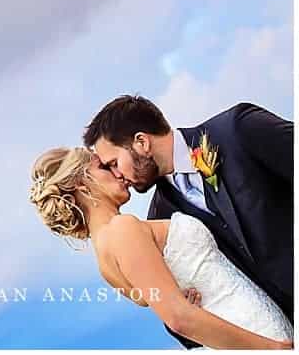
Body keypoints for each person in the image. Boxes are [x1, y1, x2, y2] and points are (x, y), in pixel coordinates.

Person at [29, 145, 293, 349]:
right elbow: (178, 318)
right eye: (103, 168)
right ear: (81, 183)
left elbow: (170, 303)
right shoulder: (122, 229)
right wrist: (270, 348)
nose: (117, 173)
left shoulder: (104, 260)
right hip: (255, 333)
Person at [84, 96, 293, 348]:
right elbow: (181, 320)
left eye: (114, 163)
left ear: (142, 142)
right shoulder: (161, 221)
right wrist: (192, 307)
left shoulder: (237, 130)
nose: (117, 175)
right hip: (282, 330)